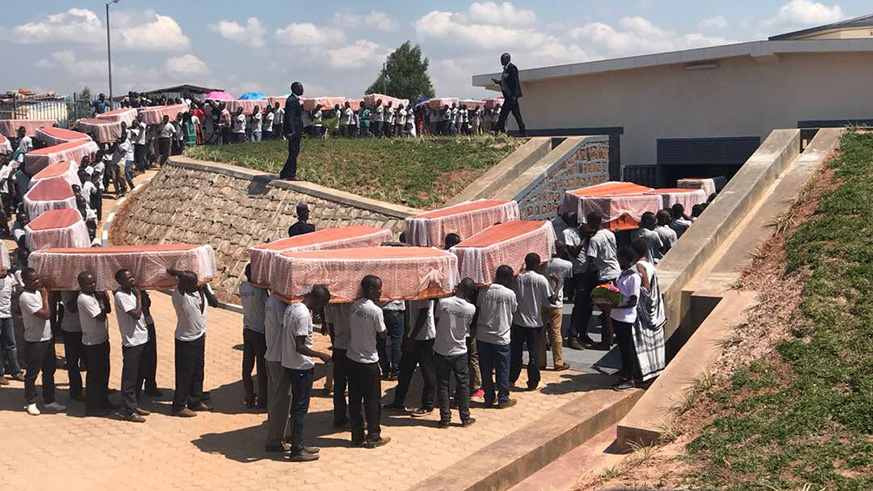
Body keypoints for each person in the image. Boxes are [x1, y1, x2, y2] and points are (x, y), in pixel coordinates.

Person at [281, 285, 332, 462]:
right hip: (301, 367)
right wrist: (321, 355)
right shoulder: (303, 315)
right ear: (318, 300)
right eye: (322, 305)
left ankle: (298, 443)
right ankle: (297, 450)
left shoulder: (292, 307)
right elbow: (300, 346)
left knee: (296, 408)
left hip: (289, 363)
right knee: (300, 410)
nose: (321, 309)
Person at [347, 275, 390, 448]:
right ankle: (373, 436)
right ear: (371, 289)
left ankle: (357, 435)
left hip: (352, 358)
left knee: (355, 400)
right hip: (368, 361)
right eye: (379, 288)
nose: (381, 291)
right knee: (372, 400)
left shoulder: (354, 305)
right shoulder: (375, 311)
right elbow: (383, 333)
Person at [571, 212, 620, 349]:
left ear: (591, 223)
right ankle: (610, 338)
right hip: (615, 271)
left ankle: (606, 342)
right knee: (612, 308)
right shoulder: (610, 233)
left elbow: (591, 261)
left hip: (604, 275)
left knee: (605, 309)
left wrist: (585, 281)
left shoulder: (595, 239)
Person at [20, 269, 65, 415]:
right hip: (35, 340)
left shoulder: (38, 293)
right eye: (33, 280)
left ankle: (49, 400)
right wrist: (46, 298)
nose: (37, 282)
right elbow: (45, 314)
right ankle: (30, 401)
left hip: (47, 338)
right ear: (24, 281)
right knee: (32, 373)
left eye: (37, 279)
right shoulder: (25, 297)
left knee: (49, 370)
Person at [434, 278, 477, 428]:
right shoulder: (471, 308)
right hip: (460, 350)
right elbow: (468, 326)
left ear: (458, 287)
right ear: (470, 292)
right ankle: (465, 418)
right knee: (463, 385)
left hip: (441, 349)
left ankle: (445, 419)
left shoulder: (443, 303)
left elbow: (437, 319)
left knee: (443, 384)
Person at [510, 253, 555, 391]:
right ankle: (533, 382)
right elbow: (551, 299)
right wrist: (557, 284)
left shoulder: (517, 278)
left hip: (518, 322)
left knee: (515, 352)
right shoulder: (541, 280)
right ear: (538, 264)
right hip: (535, 323)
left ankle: (511, 379)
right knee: (533, 354)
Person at [384, 298, 437, 416]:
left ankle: (428, 405)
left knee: (428, 373)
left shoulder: (424, 294)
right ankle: (398, 403)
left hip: (425, 338)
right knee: (404, 372)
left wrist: (411, 338)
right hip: (412, 337)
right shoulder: (413, 295)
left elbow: (423, 315)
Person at [169, 269, 210, 417]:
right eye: (192, 282)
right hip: (185, 340)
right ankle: (179, 406)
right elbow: (181, 282)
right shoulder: (179, 295)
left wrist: (200, 290)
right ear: (184, 284)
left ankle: (195, 400)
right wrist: (177, 273)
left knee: (198, 371)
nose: (196, 284)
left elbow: (202, 306)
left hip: (198, 337)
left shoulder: (194, 293)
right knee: (184, 375)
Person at [477, 265, 518, 408]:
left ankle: (488, 397)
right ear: (508, 278)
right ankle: (503, 398)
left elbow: (478, 309)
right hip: (501, 337)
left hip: (483, 336)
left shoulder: (483, 291)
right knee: (502, 369)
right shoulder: (510, 294)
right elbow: (513, 310)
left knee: (485, 369)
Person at [114, 269, 151, 423]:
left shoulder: (132, 293)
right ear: (120, 282)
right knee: (130, 377)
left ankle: (134, 405)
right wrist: (138, 296)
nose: (132, 280)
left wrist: (141, 295)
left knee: (139, 375)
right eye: (128, 278)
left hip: (142, 338)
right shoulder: (121, 296)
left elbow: (146, 308)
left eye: (132, 277)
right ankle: (128, 410)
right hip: (132, 341)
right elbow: (136, 314)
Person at [630, 239, 666, 383]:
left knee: (640, 343)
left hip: (642, 313)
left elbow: (646, 289)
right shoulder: (650, 265)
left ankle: (640, 375)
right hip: (654, 313)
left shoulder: (639, 266)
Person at [76, 271, 112, 416]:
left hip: (101, 339)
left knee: (103, 374)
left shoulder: (92, 296)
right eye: (89, 283)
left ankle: (103, 402)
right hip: (92, 343)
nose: (93, 285)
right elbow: (101, 317)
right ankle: (93, 407)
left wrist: (103, 297)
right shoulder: (85, 299)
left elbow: (108, 310)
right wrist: (101, 299)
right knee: (94, 377)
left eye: (94, 282)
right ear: (81, 285)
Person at [610, 247, 641, 391]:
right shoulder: (622, 274)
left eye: (620, 258)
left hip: (626, 318)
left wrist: (618, 305)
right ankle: (624, 374)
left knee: (628, 349)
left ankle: (631, 378)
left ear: (627, 259)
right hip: (616, 316)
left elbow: (633, 301)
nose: (618, 261)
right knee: (622, 349)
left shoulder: (634, 277)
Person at [264, 291, 291, 451]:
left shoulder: (271, 299)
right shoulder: (279, 303)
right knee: (281, 402)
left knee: (275, 400)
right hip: (278, 358)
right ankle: (274, 440)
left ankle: (277, 435)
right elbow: (288, 323)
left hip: (271, 354)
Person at [240, 264, 269, 408]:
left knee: (247, 366)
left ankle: (249, 396)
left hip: (247, 329)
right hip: (260, 332)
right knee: (261, 367)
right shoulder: (261, 291)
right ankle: (263, 399)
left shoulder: (242, 288)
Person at [540, 241, 572, 371]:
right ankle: (558, 362)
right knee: (556, 333)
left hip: (543, 301)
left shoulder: (543, 264)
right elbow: (568, 279)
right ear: (563, 250)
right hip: (557, 302)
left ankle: (541, 361)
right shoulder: (567, 264)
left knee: (541, 333)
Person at [324, 301, 353, 427]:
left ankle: (339, 417)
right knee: (355, 387)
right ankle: (354, 417)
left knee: (339, 386)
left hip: (339, 347)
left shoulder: (330, 304)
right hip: (354, 348)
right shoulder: (355, 304)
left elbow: (330, 327)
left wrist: (335, 344)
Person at [491, 53, 526, 136]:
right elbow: (506, 82)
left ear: (507, 59)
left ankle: (497, 129)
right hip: (508, 96)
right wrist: (498, 82)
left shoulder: (512, 68)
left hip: (511, 97)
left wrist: (514, 96)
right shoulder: (505, 70)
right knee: (515, 115)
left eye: (502, 59)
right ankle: (523, 132)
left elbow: (515, 82)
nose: (501, 61)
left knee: (504, 113)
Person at [58, 290, 84, 400]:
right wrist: (79, 292)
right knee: (73, 363)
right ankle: (75, 392)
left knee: (92, 363)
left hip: (86, 329)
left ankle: (97, 389)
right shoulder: (66, 290)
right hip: (71, 330)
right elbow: (71, 308)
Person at [0, 270, 23, 384]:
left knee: (11, 344)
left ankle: (15, 370)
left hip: (7, 316)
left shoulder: (10, 279)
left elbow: (14, 293)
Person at [282, 82, 305, 180]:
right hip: (294, 130)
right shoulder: (292, 100)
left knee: (294, 151)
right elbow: (290, 117)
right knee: (294, 151)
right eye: (300, 88)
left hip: (296, 129)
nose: (302, 90)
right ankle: (291, 174)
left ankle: (285, 172)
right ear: (295, 89)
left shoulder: (294, 100)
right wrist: (292, 130)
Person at [141, 290, 161, 396]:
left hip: (148, 321)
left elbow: (147, 305)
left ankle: (150, 384)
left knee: (152, 357)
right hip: (138, 329)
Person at [378, 299, 403, 380]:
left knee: (380, 342)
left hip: (380, 310)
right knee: (396, 342)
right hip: (396, 309)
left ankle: (385, 370)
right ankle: (395, 371)